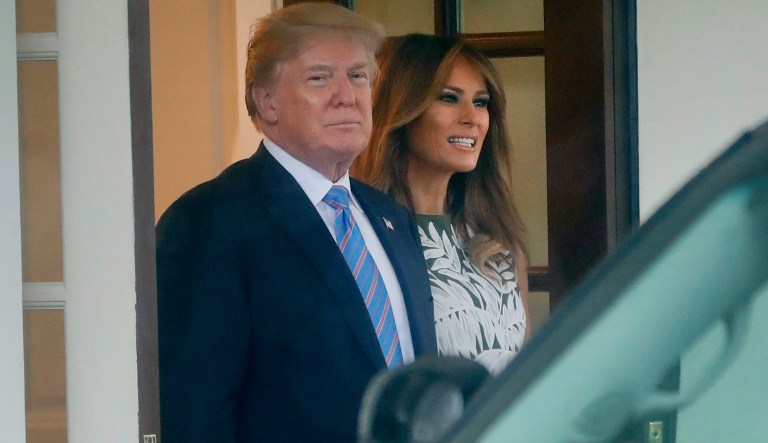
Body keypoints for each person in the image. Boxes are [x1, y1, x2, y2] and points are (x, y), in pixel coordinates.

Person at [155, 5, 436, 442]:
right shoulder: (210, 221)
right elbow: (194, 415)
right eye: (319, 78)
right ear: (267, 101)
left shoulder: (391, 218)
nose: (347, 95)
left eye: (358, 76)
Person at [354, 33, 530, 376]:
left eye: (481, 102)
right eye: (450, 98)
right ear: (402, 110)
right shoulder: (359, 236)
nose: (473, 118)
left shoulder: (499, 244)